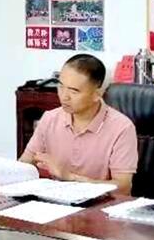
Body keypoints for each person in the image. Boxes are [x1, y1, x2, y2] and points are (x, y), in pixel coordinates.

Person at [19, 54, 138, 194]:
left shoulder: (122, 128)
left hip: (99, 205)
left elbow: (123, 187)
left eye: (73, 91)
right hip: (55, 201)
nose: (64, 96)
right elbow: (24, 163)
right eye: (61, 86)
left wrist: (70, 177)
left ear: (97, 94)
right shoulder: (50, 118)